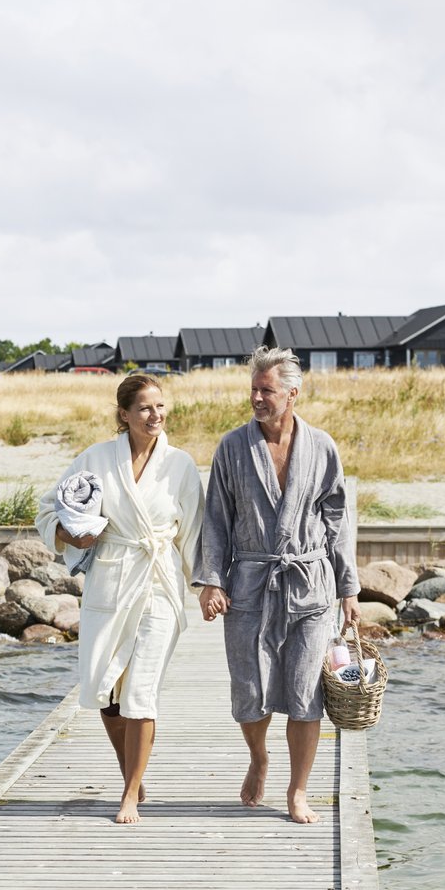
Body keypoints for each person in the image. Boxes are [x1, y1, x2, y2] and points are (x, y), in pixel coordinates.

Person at [194, 346, 360, 824]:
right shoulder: (232, 448)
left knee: (307, 693)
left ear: (293, 394)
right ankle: (259, 757)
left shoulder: (322, 447)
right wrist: (212, 581)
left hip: (310, 585)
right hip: (250, 583)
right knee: (250, 692)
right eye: (253, 389)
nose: (256, 398)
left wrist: (348, 589)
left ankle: (297, 790)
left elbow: (338, 521)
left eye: (266, 390)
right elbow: (216, 518)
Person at [36, 373, 204, 824]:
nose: (156, 415)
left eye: (160, 406)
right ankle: (132, 769)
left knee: (141, 693)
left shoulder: (180, 465)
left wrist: (205, 586)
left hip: (158, 584)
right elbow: (49, 508)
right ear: (124, 414)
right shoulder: (95, 459)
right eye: (145, 407)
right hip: (110, 582)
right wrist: (70, 533)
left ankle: (129, 794)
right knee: (105, 693)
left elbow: (194, 533)